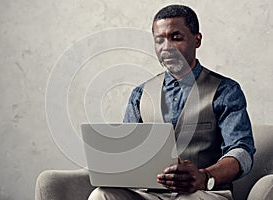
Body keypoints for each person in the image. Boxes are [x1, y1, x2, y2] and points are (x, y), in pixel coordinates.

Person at [88, 4, 255, 200]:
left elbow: (241, 150)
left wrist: (204, 176)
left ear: (197, 39)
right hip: (151, 194)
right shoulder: (140, 94)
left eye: (176, 38)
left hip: (202, 193)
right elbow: (128, 152)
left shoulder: (225, 90)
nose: (166, 47)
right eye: (159, 40)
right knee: (101, 195)